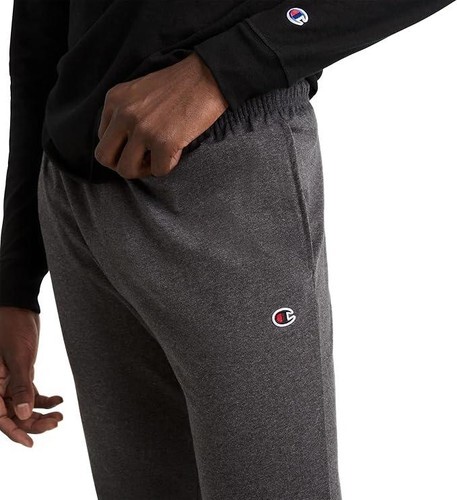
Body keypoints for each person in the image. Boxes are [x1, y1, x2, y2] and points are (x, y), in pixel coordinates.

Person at [0, 1, 454, 499]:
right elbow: (38, 30)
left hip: (222, 167)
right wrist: (15, 281)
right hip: (70, 188)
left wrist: (226, 67)